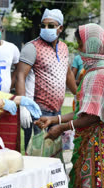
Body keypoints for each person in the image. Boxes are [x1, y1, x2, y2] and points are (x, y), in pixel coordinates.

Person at [35, 23, 104, 188]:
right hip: (96, 141)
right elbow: (84, 110)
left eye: (80, 44)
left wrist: (62, 128)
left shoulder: (100, 74)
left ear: (91, 45)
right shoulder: (103, 68)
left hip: (97, 145)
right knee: (92, 187)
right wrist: (54, 120)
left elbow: (94, 117)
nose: (79, 49)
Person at [16, 8, 77, 148]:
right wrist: (24, 105)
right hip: (37, 111)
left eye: (50, 26)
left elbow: (67, 74)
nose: (45, 28)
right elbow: (20, 76)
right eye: (43, 25)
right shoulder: (32, 48)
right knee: (37, 153)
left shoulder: (63, 47)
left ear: (60, 28)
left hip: (57, 112)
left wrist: (78, 95)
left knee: (53, 153)